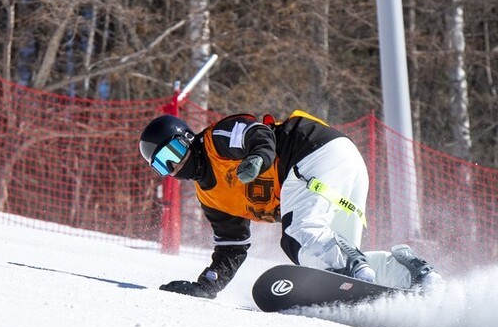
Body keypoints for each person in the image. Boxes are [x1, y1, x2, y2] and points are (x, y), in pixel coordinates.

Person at [138, 111, 439, 299]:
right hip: (342, 168)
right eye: (163, 165)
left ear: (187, 139)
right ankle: (411, 274)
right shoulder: (210, 198)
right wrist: (206, 285)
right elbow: (232, 247)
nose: (175, 166)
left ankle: (354, 267)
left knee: (297, 235)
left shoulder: (215, 140)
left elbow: (257, 132)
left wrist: (257, 158)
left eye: (174, 152)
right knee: (322, 262)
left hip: (314, 152)